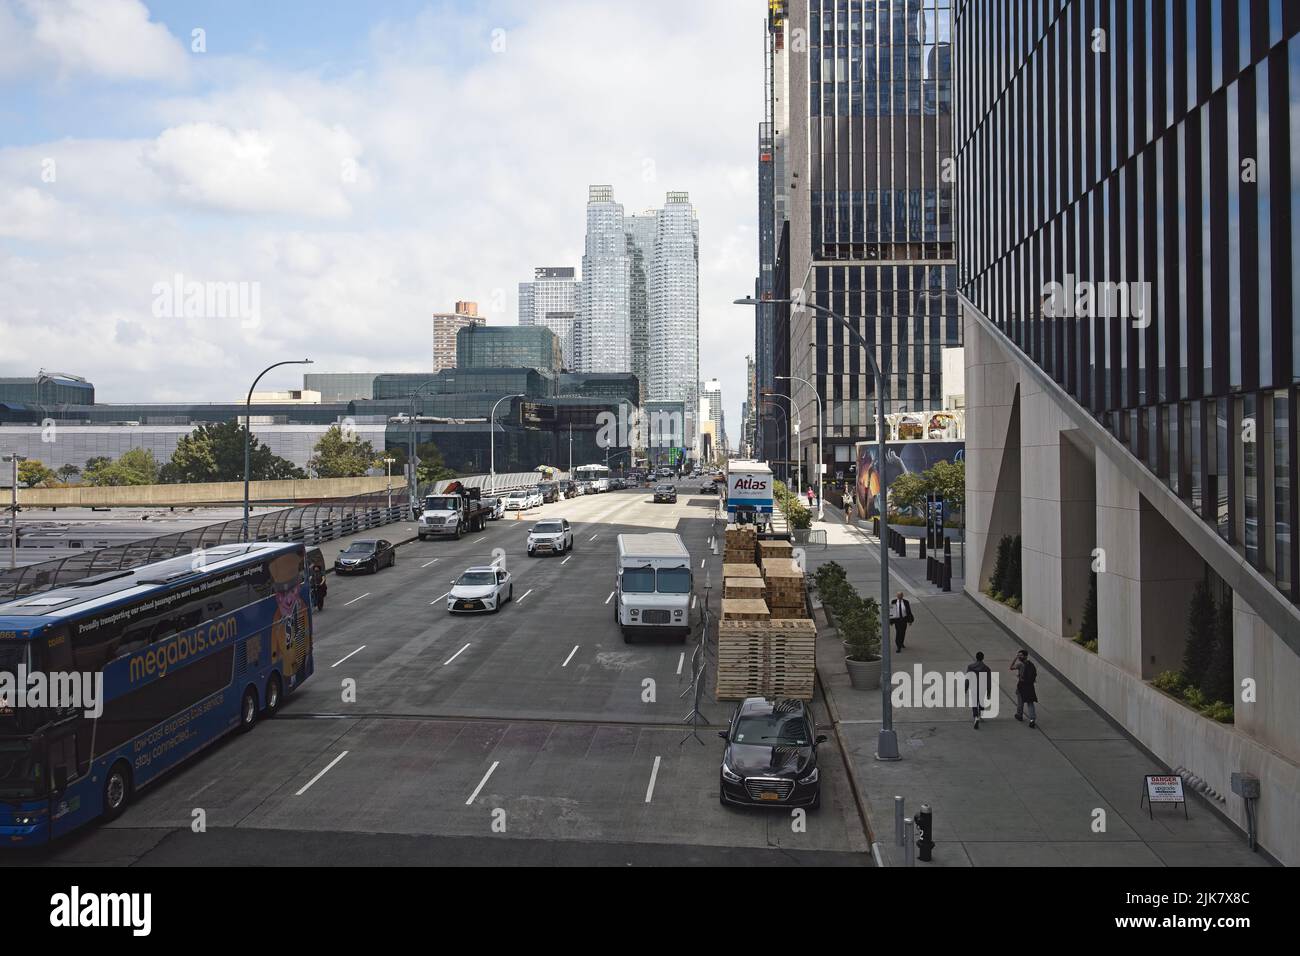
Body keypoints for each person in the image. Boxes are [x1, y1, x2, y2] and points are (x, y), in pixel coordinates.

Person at [1010, 649, 1038, 727]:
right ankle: (1032, 719)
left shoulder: (1020, 665)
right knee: (1030, 702)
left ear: (1025, 656)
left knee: (1020, 701)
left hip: (1021, 685)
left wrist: (1015, 658)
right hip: (1030, 686)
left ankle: (1019, 715)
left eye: (1020, 655)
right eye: (1019, 655)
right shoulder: (1031, 664)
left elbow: (1011, 667)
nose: (1019, 657)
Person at [965, 651, 993, 729]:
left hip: (974, 687)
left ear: (976, 657)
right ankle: (980, 715)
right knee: (981, 701)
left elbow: (967, 678)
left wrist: (966, 688)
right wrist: (989, 691)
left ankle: (975, 717)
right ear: (983, 658)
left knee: (974, 702)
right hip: (982, 688)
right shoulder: (987, 668)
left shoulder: (971, 667)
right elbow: (988, 681)